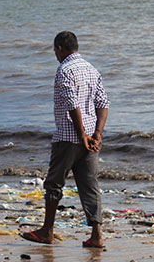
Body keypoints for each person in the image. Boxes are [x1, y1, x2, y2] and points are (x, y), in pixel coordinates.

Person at [21, 31, 109, 248]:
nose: (55, 55)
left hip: (69, 137)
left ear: (60, 48)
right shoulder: (91, 69)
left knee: (53, 184)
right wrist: (97, 133)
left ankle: (47, 231)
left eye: (55, 51)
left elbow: (72, 104)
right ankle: (96, 235)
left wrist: (80, 134)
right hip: (91, 138)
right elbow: (103, 102)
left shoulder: (64, 70)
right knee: (90, 185)